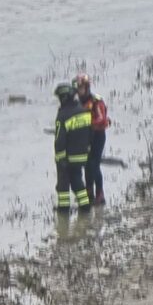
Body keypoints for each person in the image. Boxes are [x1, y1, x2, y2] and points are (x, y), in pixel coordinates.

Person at [52, 82, 92, 214]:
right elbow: (91, 133)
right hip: (82, 155)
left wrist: (60, 158)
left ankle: (63, 210)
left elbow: (60, 140)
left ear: (63, 98)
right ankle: (85, 205)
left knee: (63, 184)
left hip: (67, 157)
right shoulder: (84, 111)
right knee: (77, 180)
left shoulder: (62, 115)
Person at [74, 73, 111, 206]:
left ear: (87, 87)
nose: (79, 91)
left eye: (81, 88)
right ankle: (89, 193)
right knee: (86, 165)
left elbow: (101, 119)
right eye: (77, 88)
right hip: (85, 138)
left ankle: (100, 194)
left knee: (94, 165)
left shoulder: (96, 101)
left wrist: (88, 124)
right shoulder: (77, 103)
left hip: (97, 136)